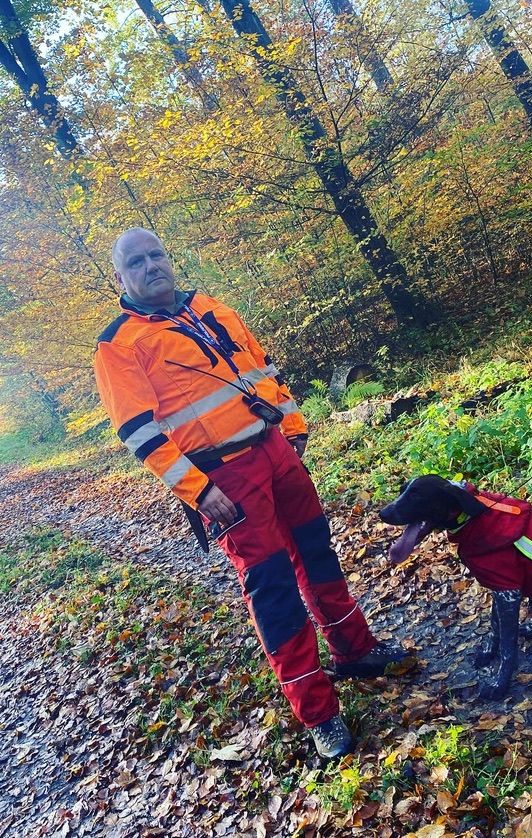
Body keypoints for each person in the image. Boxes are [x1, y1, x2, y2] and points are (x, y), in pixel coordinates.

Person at [93, 227, 403, 758]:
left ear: (169, 257)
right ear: (121, 278)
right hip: (225, 480)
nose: (151, 266)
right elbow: (140, 434)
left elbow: (264, 370)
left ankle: (356, 651)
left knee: (317, 554)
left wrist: (294, 425)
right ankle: (318, 713)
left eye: (156, 254)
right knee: (273, 586)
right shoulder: (119, 345)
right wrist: (197, 490)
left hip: (276, 451)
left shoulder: (213, 307)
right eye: (137, 262)